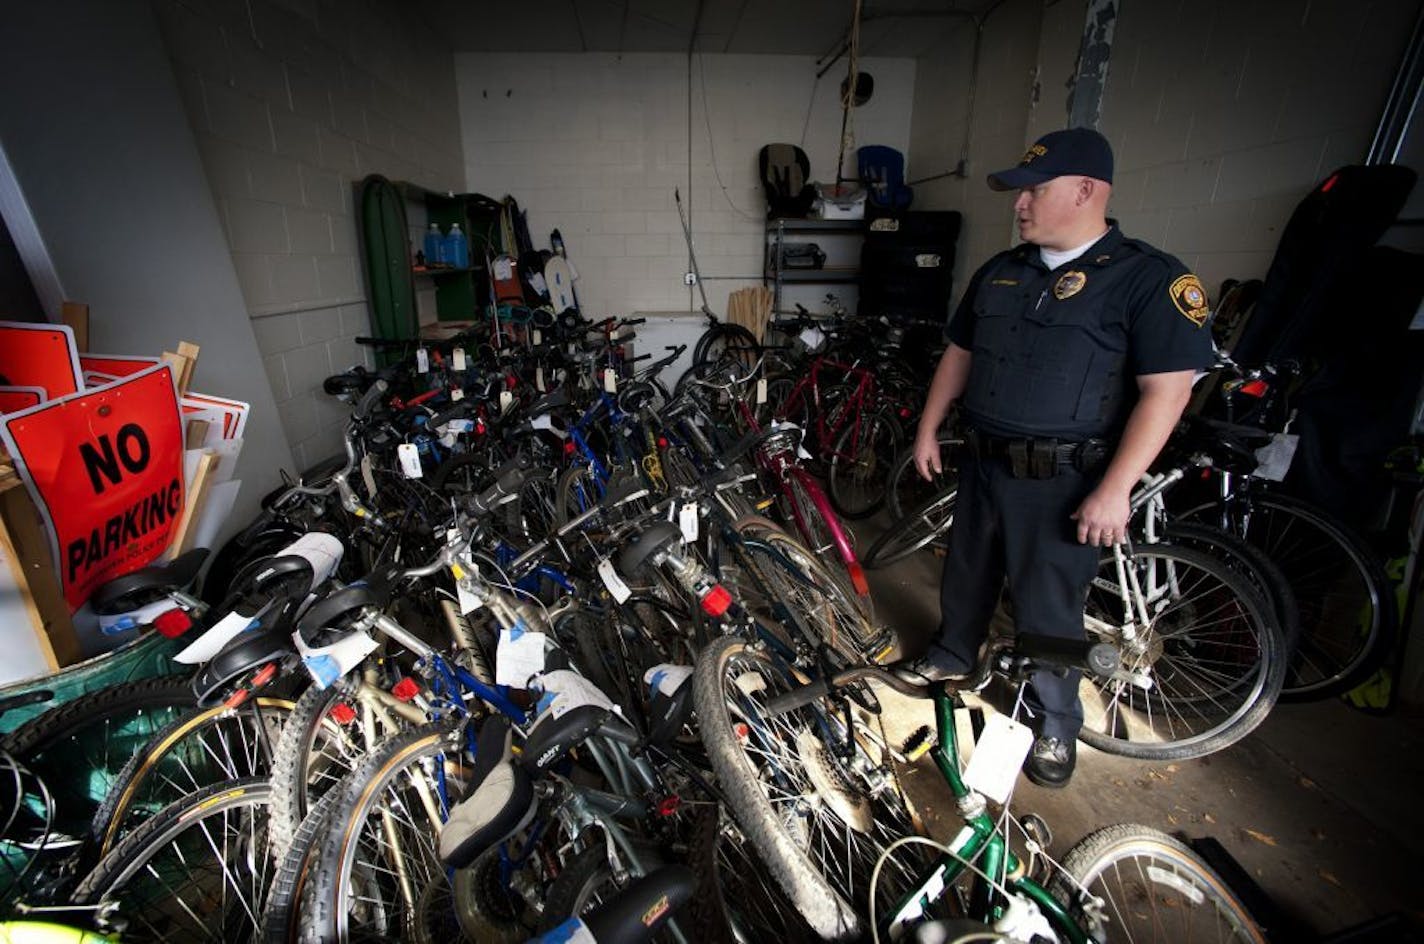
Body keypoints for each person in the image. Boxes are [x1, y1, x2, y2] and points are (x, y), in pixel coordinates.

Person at [896, 127, 1214, 788]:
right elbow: (960, 353)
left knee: (1048, 607)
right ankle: (954, 654)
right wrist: (928, 429)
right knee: (967, 572)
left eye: (1033, 190)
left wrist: (1117, 487)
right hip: (983, 462)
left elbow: (1170, 389)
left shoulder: (1147, 278)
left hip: (1064, 478)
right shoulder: (1001, 270)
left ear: (1086, 190)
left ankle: (1054, 721)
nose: (1020, 205)